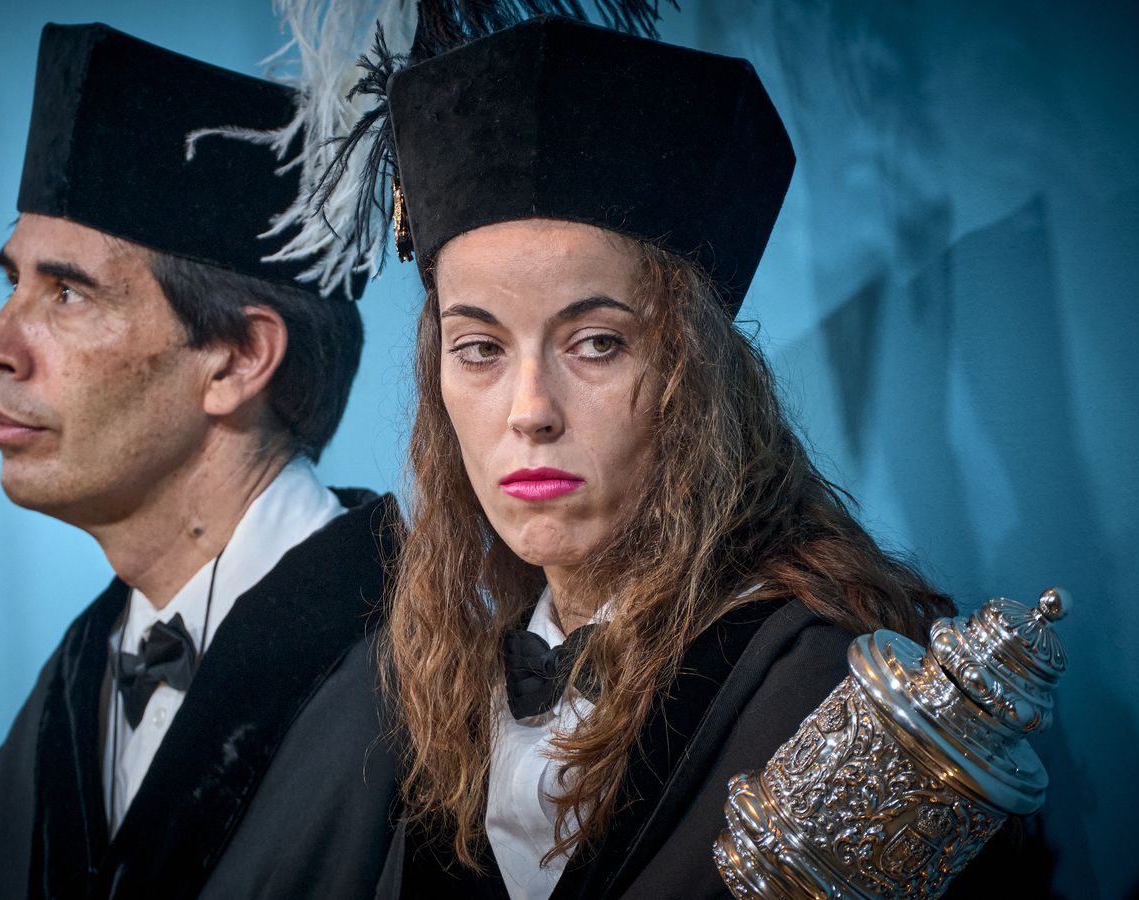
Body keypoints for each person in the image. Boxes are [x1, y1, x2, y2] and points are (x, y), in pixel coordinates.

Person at [281, 14, 1051, 899]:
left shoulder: (821, 695)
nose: (529, 412)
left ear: (698, 378)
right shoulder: (434, 692)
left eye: (598, 343)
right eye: (481, 349)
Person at [0, 22, 398, 900]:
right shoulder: (74, 685)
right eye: (9, 283)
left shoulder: (426, 679)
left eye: (66, 292)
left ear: (237, 359)